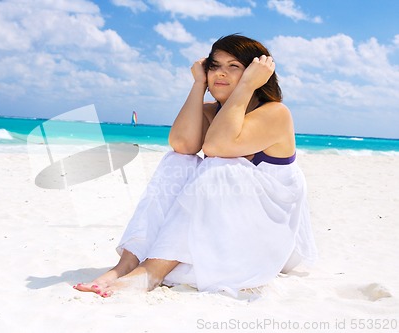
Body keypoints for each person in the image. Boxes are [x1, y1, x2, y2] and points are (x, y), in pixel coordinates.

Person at [73, 34, 317, 298]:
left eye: (234, 66)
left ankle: (152, 271)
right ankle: (127, 264)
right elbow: (181, 143)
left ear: (254, 75)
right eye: (214, 66)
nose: (220, 73)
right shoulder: (214, 111)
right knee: (177, 161)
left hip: (265, 237)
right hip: (222, 230)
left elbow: (216, 148)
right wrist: (198, 84)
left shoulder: (275, 113)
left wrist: (246, 86)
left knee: (221, 168)